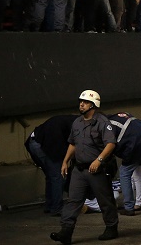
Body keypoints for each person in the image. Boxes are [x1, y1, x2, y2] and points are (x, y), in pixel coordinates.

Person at [51, 90, 118, 244]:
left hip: (96, 169)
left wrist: (99, 160)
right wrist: (65, 160)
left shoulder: (102, 122)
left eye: (85, 102)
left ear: (94, 105)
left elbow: (111, 144)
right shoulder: (77, 122)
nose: (81, 104)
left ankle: (111, 227)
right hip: (79, 169)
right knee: (73, 201)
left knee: (105, 200)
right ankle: (66, 231)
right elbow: (73, 143)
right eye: (81, 101)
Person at [24, 115, 78, 216]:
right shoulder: (77, 125)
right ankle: (56, 208)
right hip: (44, 144)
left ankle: (50, 205)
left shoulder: (69, 121)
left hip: (34, 142)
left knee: (52, 176)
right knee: (58, 176)